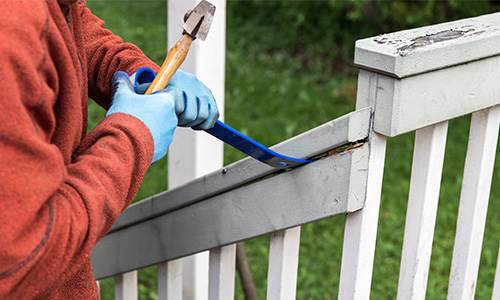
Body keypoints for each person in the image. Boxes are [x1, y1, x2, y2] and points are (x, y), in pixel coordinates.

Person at [0, 0, 219, 298]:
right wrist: (131, 135)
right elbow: (24, 257)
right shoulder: (10, 31)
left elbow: (67, 25)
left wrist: (138, 72)